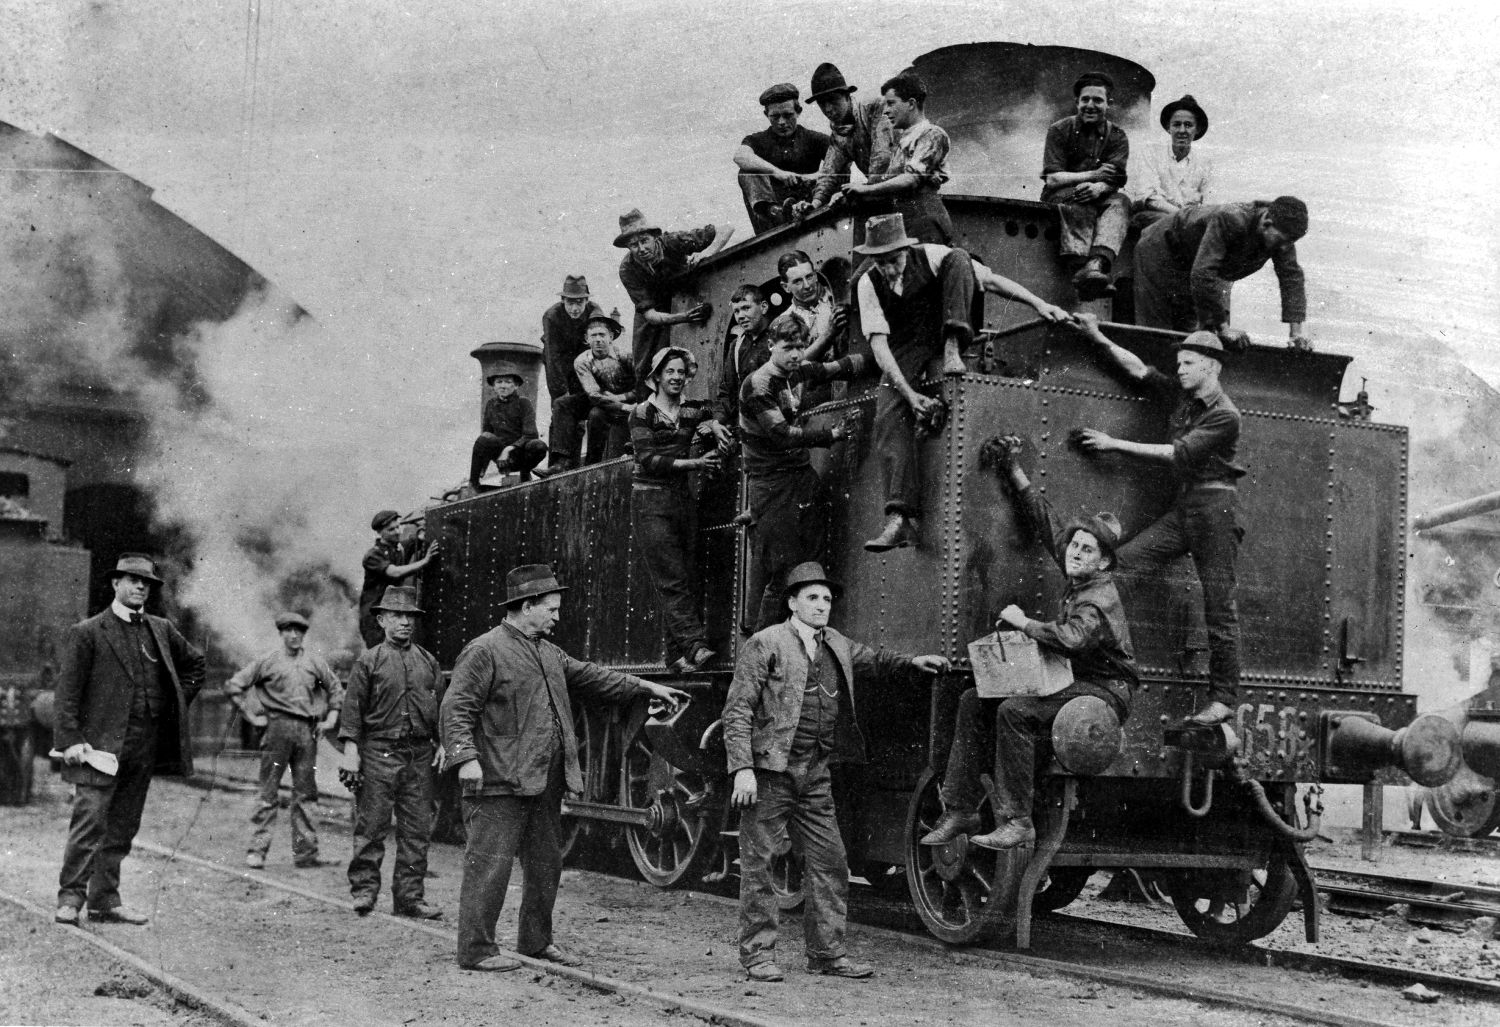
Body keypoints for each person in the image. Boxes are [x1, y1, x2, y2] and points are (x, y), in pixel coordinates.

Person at [441, 564, 689, 972]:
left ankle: (536, 943)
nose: (557, 617)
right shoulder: (484, 650)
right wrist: (466, 758)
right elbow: (456, 709)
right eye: (550, 609)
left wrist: (647, 687)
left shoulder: (549, 652)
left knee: (545, 864)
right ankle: (476, 950)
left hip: (544, 780)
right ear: (525, 606)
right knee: (489, 864)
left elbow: (594, 677)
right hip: (500, 778)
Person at [724, 562, 950, 981]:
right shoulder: (765, 643)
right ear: (792, 603)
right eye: (812, 597)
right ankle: (758, 956)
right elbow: (737, 710)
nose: (822, 605)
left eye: (827, 599)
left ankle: (827, 954)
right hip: (770, 772)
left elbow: (877, 660)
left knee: (831, 862)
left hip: (814, 775)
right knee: (760, 863)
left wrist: (914, 661)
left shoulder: (837, 645)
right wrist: (742, 769)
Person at [921, 436, 1137, 850]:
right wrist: (1014, 471)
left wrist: (1024, 623)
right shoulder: (1081, 570)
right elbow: (1048, 522)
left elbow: (1073, 638)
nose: (1074, 552)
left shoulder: (1099, 596)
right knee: (972, 700)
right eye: (1074, 545)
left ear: (1103, 561)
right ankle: (960, 807)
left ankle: (1017, 819)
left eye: (1086, 549)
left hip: (1108, 692)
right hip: (1077, 683)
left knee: (1015, 712)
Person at [854, 213, 1071, 552]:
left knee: (961, 259)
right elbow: (880, 345)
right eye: (880, 263)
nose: (888, 269)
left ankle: (953, 346)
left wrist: (1040, 304)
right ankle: (899, 518)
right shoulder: (867, 284)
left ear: (906, 250)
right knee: (886, 417)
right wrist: (909, 396)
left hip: (945, 329)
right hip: (906, 345)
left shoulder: (933, 255)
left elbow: (995, 282)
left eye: (892, 260)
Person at [1071, 314, 1245, 726]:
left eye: (1187, 364)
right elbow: (1138, 369)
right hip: (1185, 509)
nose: (1180, 370)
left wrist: (1113, 444)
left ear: (1211, 368)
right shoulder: (1183, 396)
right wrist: (1097, 336)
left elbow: (1175, 453)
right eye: (1180, 363)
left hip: (1215, 512)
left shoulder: (1225, 415)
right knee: (1117, 565)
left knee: (1219, 608)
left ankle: (1223, 699)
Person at [52, 553, 206, 926]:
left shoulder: (161, 629)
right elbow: (67, 694)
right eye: (133, 580)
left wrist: (174, 704)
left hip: (143, 747)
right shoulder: (88, 632)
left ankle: (105, 901)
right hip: (98, 750)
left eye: (147, 583)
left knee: (122, 827)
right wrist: (72, 740)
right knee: (89, 824)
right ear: (115, 584)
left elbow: (196, 665)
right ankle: (70, 899)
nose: (141, 587)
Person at [738, 313, 865, 632]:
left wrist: (875, 354)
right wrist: (831, 436)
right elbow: (780, 433)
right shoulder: (757, 384)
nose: (795, 354)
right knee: (782, 574)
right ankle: (762, 651)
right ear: (771, 346)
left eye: (800, 346)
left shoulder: (798, 371)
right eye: (788, 347)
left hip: (800, 478)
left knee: (811, 567)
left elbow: (839, 367)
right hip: (771, 485)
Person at [337, 586, 445, 919]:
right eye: (397, 616)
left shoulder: (428, 661)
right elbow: (353, 709)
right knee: (372, 826)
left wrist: (441, 743)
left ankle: (410, 898)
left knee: (416, 829)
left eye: (410, 616)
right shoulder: (369, 660)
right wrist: (350, 751)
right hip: (379, 752)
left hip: (418, 755)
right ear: (382, 620)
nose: (405, 623)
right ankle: (365, 892)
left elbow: (441, 707)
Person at [630, 347, 729, 673]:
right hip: (650, 500)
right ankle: (695, 647)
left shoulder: (692, 411)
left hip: (681, 502)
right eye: (669, 371)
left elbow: (710, 412)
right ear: (656, 376)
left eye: (681, 372)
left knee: (685, 576)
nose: (675, 377)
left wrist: (713, 424)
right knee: (672, 578)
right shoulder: (641, 413)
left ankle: (676, 658)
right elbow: (648, 460)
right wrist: (694, 463)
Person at [224, 611, 342, 870]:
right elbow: (235, 685)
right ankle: (257, 851)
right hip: (277, 729)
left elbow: (335, 689)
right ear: (281, 633)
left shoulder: (314, 662)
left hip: (307, 733)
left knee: (306, 794)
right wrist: (252, 717)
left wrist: (331, 718)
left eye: (299, 631)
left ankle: (306, 854)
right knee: (268, 792)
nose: (294, 635)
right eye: (289, 630)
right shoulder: (268, 661)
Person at [1134, 197, 1312, 349]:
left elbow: (1292, 279)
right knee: (1156, 333)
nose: (1285, 248)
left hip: (1193, 262)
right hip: (1160, 250)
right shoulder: (1231, 218)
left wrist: (1296, 334)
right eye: (1282, 241)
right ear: (1266, 223)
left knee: (1190, 335)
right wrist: (1224, 328)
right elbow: (1203, 274)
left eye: (1291, 242)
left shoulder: (1282, 236)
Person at [1040, 71, 1132, 301]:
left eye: (1098, 100)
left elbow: (1115, 179)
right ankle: (1079, 267)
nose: (1090, 105)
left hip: (1098, 194)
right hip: (1060, 196)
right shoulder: (1059, 130)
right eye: (1085, 100)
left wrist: (1100, 188)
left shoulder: (1118, 136)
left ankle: (1096, 264)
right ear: (1077, 102)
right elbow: (1052, 179)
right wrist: (1093, 176)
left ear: (1108, 104)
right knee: (1081, 196)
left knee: (1122, 202)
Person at [615, 208, 734, 381]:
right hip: (653, 308)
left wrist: (706, 253)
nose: (641, 248)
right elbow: (650, 315)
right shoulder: (628, 269)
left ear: (654, 237)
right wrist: (683, 317)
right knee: (643, 366)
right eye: (634, 245)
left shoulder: (673, 242)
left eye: (644, 240)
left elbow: (727, 228)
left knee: (685, 350)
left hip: (684, 293)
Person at [839, 71, 953, 244]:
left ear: (911, 104)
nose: (886, 111)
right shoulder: (903, 141)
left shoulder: (933, 134)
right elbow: (890, 181)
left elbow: (911, 179)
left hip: (925, 221)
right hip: (902, 224)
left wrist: (866, 189)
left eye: (891, 103)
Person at [793, 63, 896, 217]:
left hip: (913, 189)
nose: (828, 109)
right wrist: (813, 204)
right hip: (883, 194)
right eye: (822, 103)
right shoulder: (838, 135)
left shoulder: (874, 108)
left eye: (833, 100)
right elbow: (829, 173)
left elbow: (882, 158)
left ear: (847, 96)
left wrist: (862, 190)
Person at [541, 312, 636, 474]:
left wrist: (623, 399)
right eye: (593, 336)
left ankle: (593, 464)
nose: (598, 339)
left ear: (611, 337)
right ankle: (562, 461)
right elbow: (593, 394)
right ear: (587, 339)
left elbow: (640, 386)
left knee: (596, 414)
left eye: (602, 334)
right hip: (603, 400)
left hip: (629, 402)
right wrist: (620, 405)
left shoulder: (625, 357)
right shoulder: (582, 361)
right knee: (562, 404)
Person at [734, 83, 831, 234]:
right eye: (775, 116)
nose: (781, 122)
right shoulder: (757, 140)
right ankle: (776, 212)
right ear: (766, 115)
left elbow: (840, 168)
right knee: (746, 172)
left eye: (787, 115)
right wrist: (777, 172)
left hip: (810, 206)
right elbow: (740, 156)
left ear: (798, 112)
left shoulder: (815, 138)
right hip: (772, 220)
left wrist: (807, 178)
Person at [540, 275, 606, 468]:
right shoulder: (551, 316)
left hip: (585, 365)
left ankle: (581, 464)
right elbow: (553, 359)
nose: (575, 308)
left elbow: (600, 346)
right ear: (562, 301)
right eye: (570, 303)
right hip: (560, 363)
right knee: (561, 409)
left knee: (589, 412)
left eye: (579, 302)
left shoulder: (595, 312)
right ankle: (558, 464)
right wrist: (560, 393)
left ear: (587, 300)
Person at [1130, 95, 1212, 231]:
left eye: (1188, 125)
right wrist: (1182, 216)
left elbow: (1209, 201)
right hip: (1151, 218)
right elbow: (1148, 197)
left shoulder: (1204, 164)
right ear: (1169, 128)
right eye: (1176, 124)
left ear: (1197, 129)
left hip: (1187, 221)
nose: (1182, 131)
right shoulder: (1151, 152)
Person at [359, 510, 438, 649]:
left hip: (391, 612)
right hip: (374, 617)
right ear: (380, 532)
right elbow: (394, 572)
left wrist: (421, 535)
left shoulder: (399, 548)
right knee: (380, 655)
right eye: (391, 529)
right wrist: (425, 562)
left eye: (398, 527)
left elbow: (416, 539)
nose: (397, 531)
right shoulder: (373, 555)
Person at [469, 371, 549, 490]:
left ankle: (525, 473)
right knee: (484, 438)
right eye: (499, 382)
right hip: (500, 458)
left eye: (508, 382)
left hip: (520, 454)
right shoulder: (491, 404)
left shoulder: (523, 403)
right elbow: (487, 434)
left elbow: (531, 434)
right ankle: (473, 483)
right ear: (494, 386)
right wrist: (487, 463)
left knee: (539, 446)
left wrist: (507, 450)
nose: (503, 385)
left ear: (516, 385)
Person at [712, 284, 774, 427]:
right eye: (736, 311)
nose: (741, 316)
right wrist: (717, 422)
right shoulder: (737, 346)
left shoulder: (779, 337)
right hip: (748, 428)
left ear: (763, 307)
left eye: (746, 308)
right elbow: (727, 391)